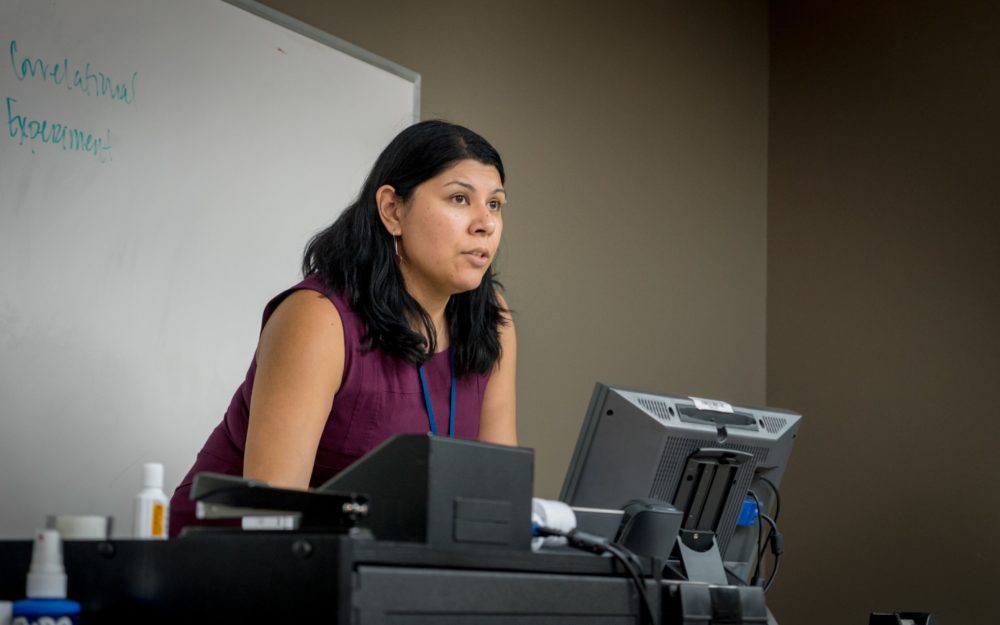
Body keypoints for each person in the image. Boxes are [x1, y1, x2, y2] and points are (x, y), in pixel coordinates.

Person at [169, 120, 516, 535]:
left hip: (372, 572)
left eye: (495, 204)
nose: (485, 224)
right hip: (222, 570)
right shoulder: (317, 317)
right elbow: (272, 519)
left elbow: (498, 502)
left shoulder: (491, 319)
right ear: (392, 209)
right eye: (459, 199)